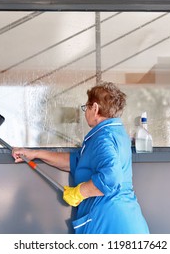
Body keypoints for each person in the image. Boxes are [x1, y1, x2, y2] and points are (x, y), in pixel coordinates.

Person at [12, 81, 149, 234]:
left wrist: (79, 192)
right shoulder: (115, 133)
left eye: (86, 107)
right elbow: (76, 162)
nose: (85, 112)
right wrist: (35, 154)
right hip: (126, 219)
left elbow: (111, 177)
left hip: (110, 222)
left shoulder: (103, 138)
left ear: (95, 108)